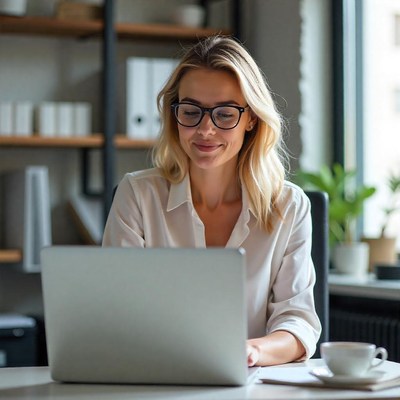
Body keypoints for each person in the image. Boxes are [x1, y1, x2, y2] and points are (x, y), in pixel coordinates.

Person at [102, 35, 321, 367]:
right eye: (191, 111)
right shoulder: (138, 194)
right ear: (174, 115)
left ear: (251, 118)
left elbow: (298, 323)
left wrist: (252, 351)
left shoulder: (289, 206)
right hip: (157, 377)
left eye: (224, 113)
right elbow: (114, 311)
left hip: (251, 385)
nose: (205, 129)